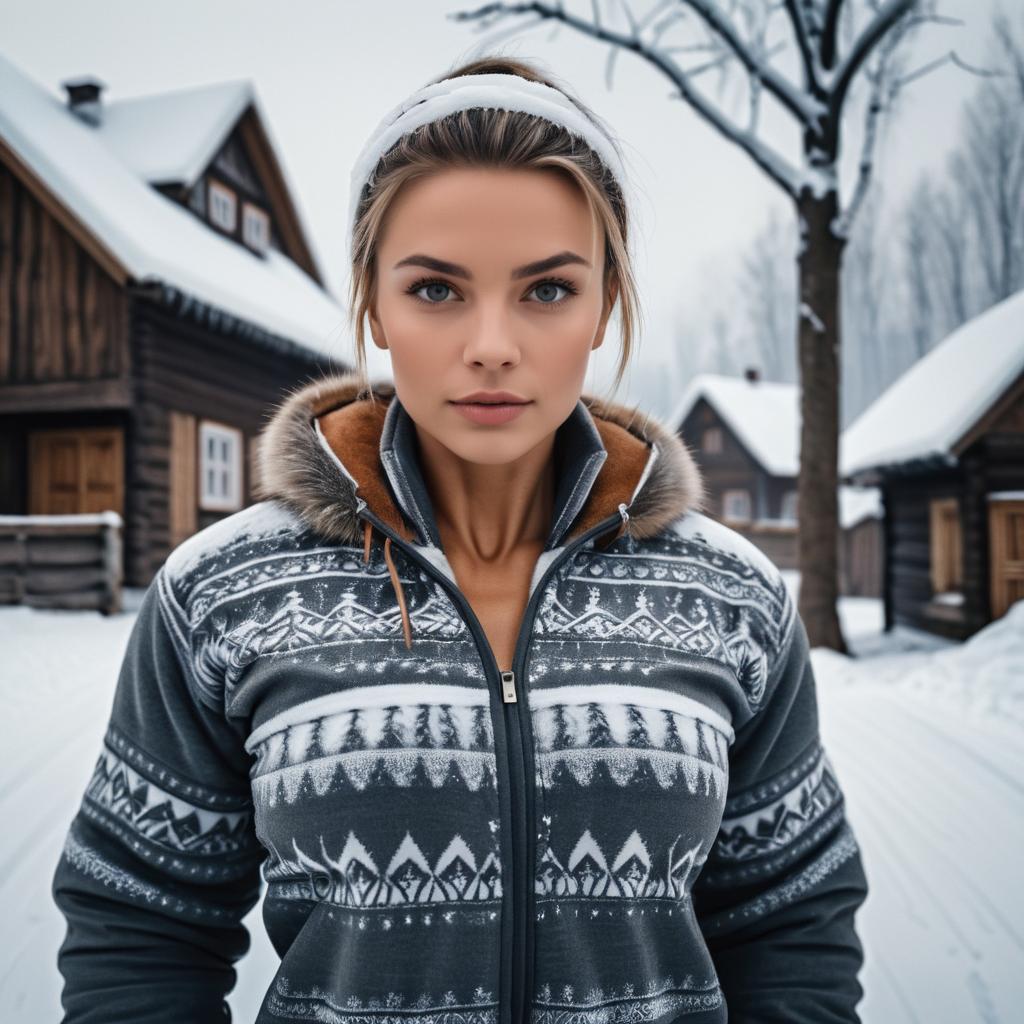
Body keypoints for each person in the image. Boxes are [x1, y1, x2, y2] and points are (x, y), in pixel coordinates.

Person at [51, 55, 870, 1024]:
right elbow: (140, 928)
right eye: (437, 290)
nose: (491, 342)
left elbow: (791, 923)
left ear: (605, 302)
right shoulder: (222, 591)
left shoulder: (731, 596)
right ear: (373, 304)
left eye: (547, 290)